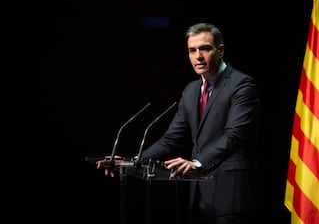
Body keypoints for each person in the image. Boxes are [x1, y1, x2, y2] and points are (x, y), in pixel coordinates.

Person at [98, 22, 261, 224]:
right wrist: (133, 161)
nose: (198, 56)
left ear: (220, 50)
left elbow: (234, 135)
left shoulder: (242, 85)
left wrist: (196, 163)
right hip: (198, 197)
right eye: (192, 50)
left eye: (205, 48)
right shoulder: (191, 90)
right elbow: (171, 139)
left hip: (230, 196)